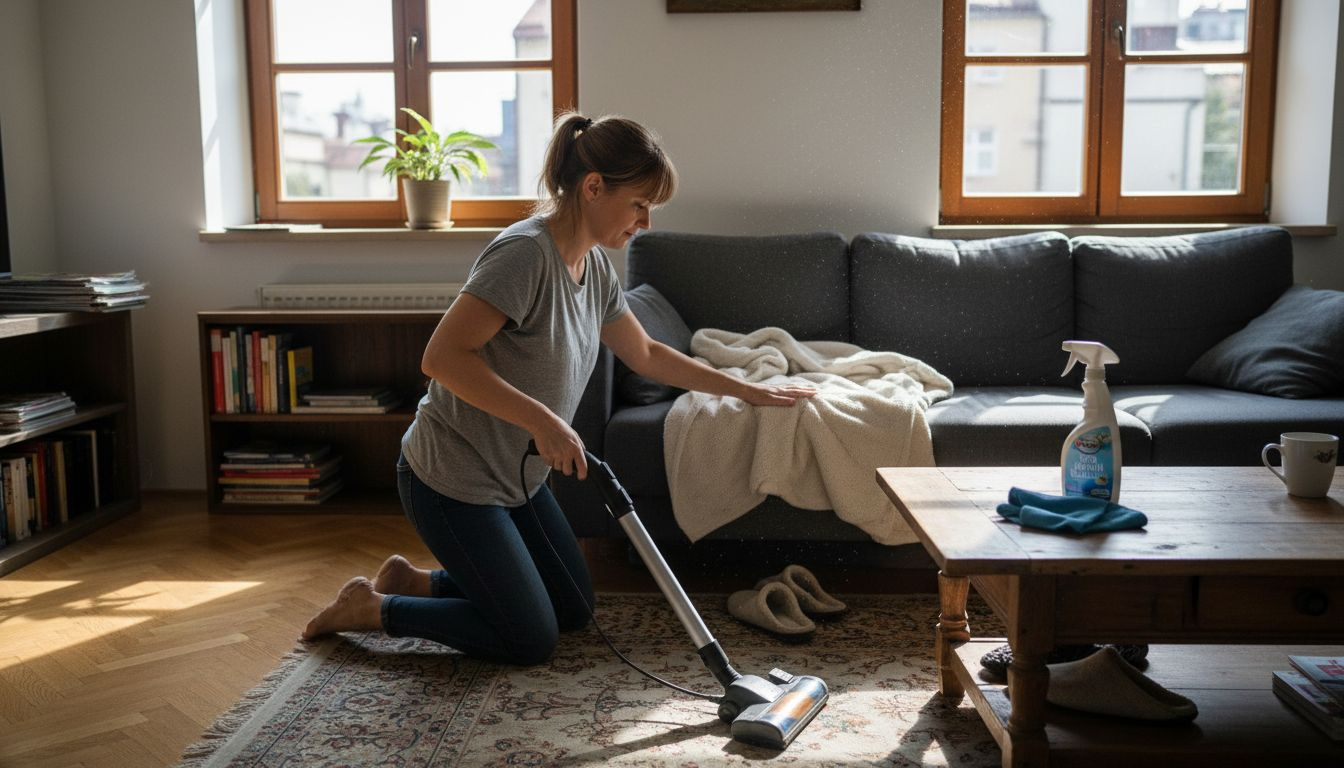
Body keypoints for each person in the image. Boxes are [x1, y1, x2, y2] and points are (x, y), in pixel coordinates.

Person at [302, 112, 815, 664]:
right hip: (451, 479)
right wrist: (544, 422)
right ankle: (372, 609)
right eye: (639, 204)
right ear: (594, 187)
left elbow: (645, 353)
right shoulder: (524, 256)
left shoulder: (593, 268)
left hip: (517, 481)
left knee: (572, 606)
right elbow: (442, 357)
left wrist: (745, 388)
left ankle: (416, 581)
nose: (644, 222)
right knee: (529, 638)